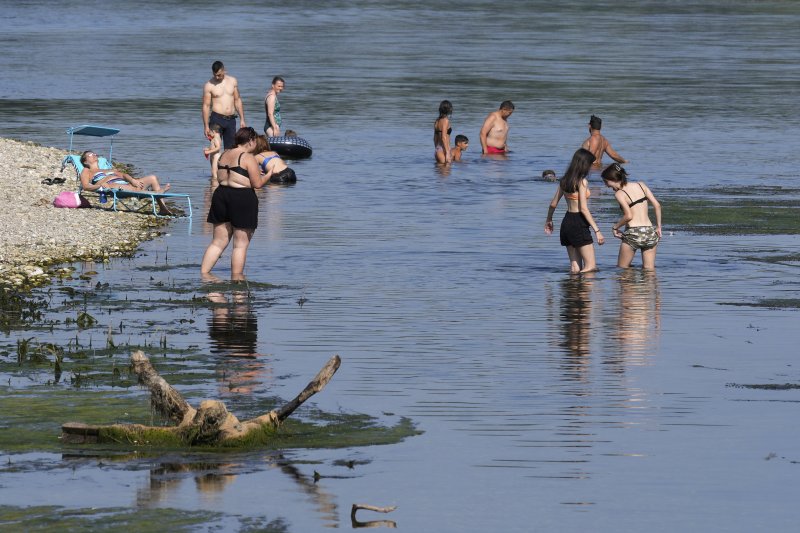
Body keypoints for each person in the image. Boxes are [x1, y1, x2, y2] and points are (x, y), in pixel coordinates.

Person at [201, 127, 272, 276]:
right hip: (242, 198)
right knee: (240, 246)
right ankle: (237, 281)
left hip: (221, 195)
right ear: (251, 141)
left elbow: (226, 175)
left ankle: (204, 275)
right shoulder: (247, 157)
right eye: (255, 141)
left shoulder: (224, 154)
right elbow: (257, 184)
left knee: (218, 242)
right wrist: (269, 174)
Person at [545, 148, 605, 273]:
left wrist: (549, 220)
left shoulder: (564, 180)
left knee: (575, 267)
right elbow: (583, 208)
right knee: (590, 267)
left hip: (566, 223)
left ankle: (572, 292)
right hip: (579, 223)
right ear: (584, 164)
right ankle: (584, 292)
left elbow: (553, 204)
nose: (591, 168)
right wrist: (597, 230)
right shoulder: (582, 181)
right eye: (589, 164)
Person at [601, 163, 662, 269]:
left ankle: (630, 285)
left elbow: (629, 216)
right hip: (650, 232)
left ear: (614, 179)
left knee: (622, 269)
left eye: (606, 182)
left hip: (633, 233)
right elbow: (657, 205)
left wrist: (615, 227)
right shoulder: (641, 185)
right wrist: (659, 227)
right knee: (649, 272)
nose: (606, 185)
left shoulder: (619, 194)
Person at [79, 151, 172, 215]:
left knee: (152, 178)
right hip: (113, 187)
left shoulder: (108, 169)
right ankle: (156, 193)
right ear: (86, 161)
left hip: (127, 185)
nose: (94, 154)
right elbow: (85, 186)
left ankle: (163, 209)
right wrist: (99, 185)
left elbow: (123, 175)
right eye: (90, 154)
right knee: (120, 186)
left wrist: (132, 180)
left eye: (94, 153)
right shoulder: (87, 171)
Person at [203, 61, 246, 152]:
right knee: (215, 146)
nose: (217, 77)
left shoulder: (233, 81)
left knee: (230, 151)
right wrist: (206, 126)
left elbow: (237, 100)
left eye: (219, 75)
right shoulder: (209, 85)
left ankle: (224, 166)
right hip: (216, 120)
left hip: (231, 120)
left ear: (224, 70)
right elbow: (206, 106)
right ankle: (214, 166)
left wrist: (242, 119)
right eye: (215, 75)